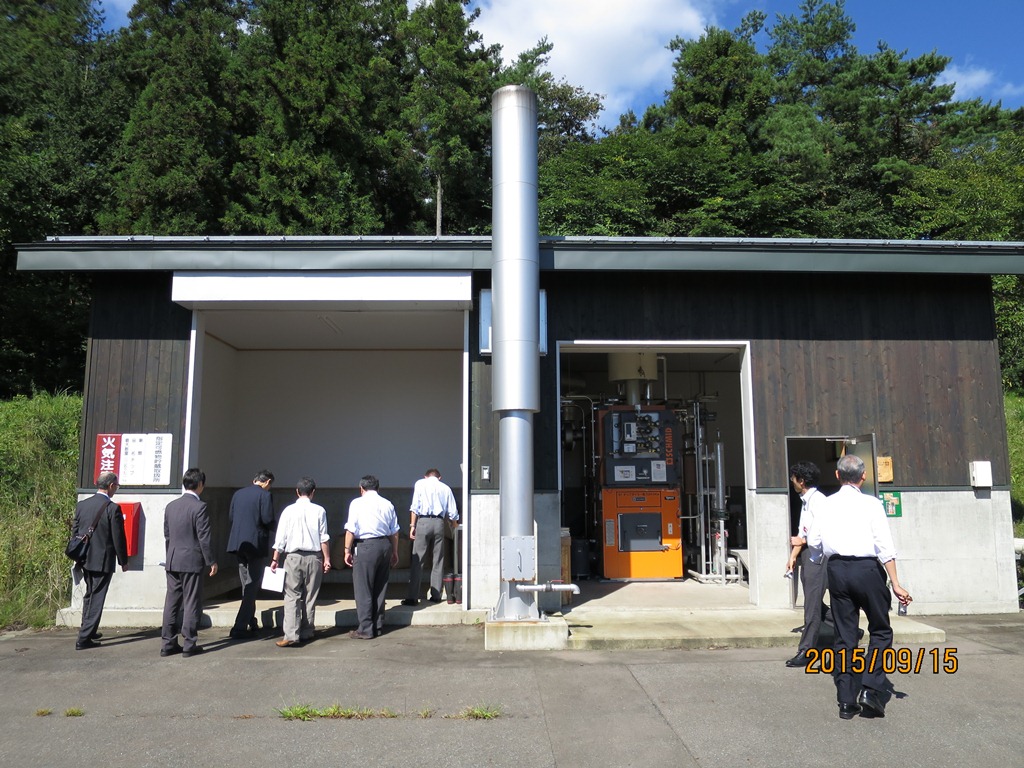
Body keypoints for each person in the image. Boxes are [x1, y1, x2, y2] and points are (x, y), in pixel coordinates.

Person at [807, 454, 912, 720]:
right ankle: (870, 688)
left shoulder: (825, 505)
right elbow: (884, 546)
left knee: (845, 635)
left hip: (837, 570)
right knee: (880, 629)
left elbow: (814, 542)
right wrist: (896, 584)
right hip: (867, 570)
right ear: (863, 477)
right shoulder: (872, 504)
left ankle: (845, 700)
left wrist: (819, 559)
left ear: (838, 476)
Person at [161, 468, 218, 658]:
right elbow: (204, 537)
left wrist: (170, 555)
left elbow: (167, 535)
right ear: (200, 485)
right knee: (192, 601)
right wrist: (211, 561)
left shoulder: (171, 506)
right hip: (192, 560)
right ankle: (189, 643)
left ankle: (167, 643)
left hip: (173, 559)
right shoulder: (199, 507)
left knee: (172, 602)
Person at [270, 477, 330, 647]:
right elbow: (323, 537)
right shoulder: (320, 510)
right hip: (314, 557)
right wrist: (327, 559)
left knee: (292, 596)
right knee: (311, 596)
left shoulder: (288, 511)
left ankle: (291, 634)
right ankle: (307, 631)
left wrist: (275, 559)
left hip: (293, 557)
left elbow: (280, 538)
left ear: (297, 492)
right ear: (313, 492)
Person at [72, 472, 128, 650]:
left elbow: (75, 531)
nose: (116, 489)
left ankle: (89, 629)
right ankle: (84, 638)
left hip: (85, 557)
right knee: (97, 597)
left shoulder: (82, 505)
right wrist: (123, 560)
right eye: (116, 486)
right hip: (103, 559)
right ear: (111, 485)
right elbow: (118, 537)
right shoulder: (112, 508)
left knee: (90, 594)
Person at [784, 461, 831, 668]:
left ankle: (807, 651)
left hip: (818, 559)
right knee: (815, 604)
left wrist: (801, 542)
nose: (792, 481)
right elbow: (802, 532)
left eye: (794, 478)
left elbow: (819, 533)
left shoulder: (818, 501)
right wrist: (793, 556)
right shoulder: (805, 500)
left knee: (811, 607)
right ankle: (845, 624)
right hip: (808, 557)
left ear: (801, 481)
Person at [343, 475, 399, 638]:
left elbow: (351, 529)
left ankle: (366, 628)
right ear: (378, 488)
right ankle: (378, 624)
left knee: (363, 588)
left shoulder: (357, 503)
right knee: (380, 587)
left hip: (365, 547)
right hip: (384, 545)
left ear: (361, 488)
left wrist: (346, 550)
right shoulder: (387, 504)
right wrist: (395, 551)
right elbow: (394, 531)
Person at [226, 469, 275, 638]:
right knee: (252, 585)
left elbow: (231, 517)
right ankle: (239, 627)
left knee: (246, 585)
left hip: (238, 544)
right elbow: (267, 519)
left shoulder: (238, 494)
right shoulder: (264, 495)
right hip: (256, 545)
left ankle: (251, 620)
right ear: (267, 482)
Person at [402, 468, 459, 605]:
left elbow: (414, 507)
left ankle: (412, 597)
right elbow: (453, 513)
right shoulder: (445, 488)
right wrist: (455, 526)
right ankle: (436, 595)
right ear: (440, 477)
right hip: (439, 522)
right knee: (438, 560)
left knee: (418, 560)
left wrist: (412, 526)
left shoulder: (420, 484)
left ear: (425, 476)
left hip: (423, 522)